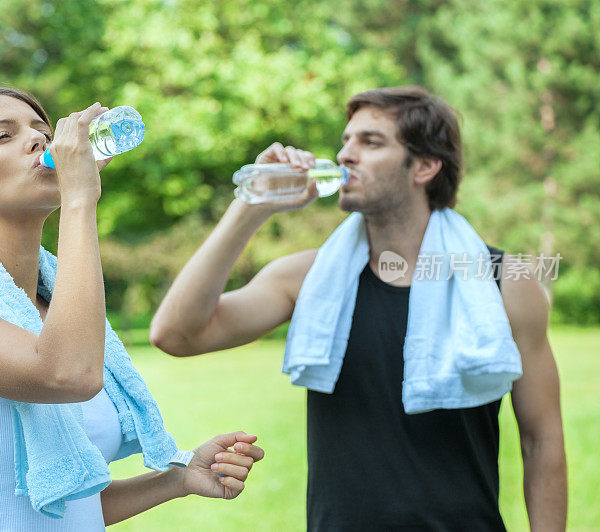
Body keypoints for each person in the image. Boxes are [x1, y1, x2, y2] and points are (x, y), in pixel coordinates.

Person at [150, 86, 567, 530]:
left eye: (370, 142)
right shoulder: (307, 277)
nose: (346, 154)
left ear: (424, 166)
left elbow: (542, 440)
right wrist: (251, 205)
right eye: (346, 140)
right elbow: (177, 335)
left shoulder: (503, 282)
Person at [0, 87, 264, 531]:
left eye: (41, 131)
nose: (37, 141)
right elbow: (71, 374)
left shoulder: (53, 310)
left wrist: (178, 479)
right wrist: (80, 199)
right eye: (3, 136)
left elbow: (67, 500)